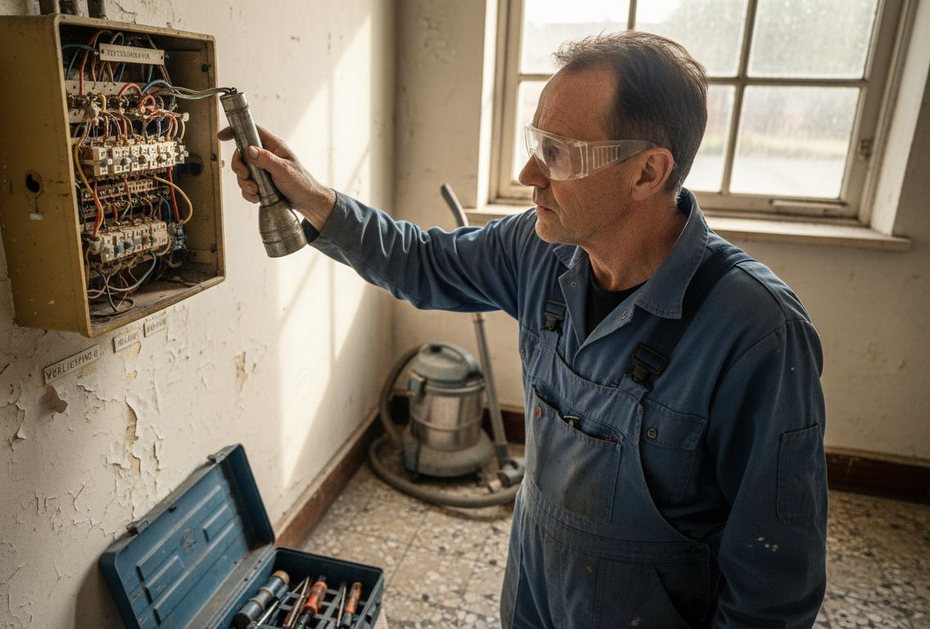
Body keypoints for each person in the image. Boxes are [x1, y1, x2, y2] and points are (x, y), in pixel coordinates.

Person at [221, 31, 827, 629]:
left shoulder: (757, 333)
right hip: (536, 593)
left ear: (647, 173)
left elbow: (772, 587)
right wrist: (310, 195)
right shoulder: (541, 250)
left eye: (558, 152)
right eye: (536, 141)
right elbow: (423, 262)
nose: (528, 171)